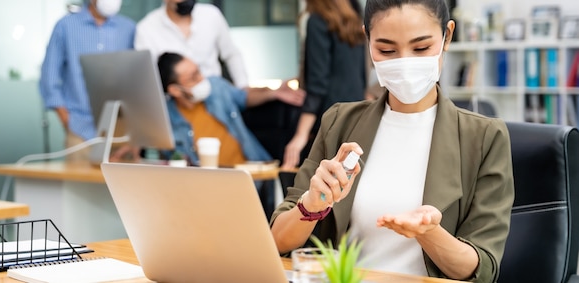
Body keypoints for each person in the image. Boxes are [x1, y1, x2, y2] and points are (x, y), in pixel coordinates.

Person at [270, 0, 515, 282]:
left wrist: (428, 233)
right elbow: (277, 241)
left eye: (421, 48)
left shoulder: (485, 138)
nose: (404, 62)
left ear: (447, 35)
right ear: (367, 39)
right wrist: (310, 205)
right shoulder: (339, 122)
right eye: (386, 50)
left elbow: (481, 269)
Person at [157, 52, 305, 166]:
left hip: (255, 170)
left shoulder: (216, 86)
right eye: (193, 77)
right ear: (175, 90)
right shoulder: (166, 121)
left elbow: (243, 97)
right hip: (209, 188)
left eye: (198, 71)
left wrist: (273, 93)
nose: (201, 79)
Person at [39, 0, 135, 162]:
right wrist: (66, 119)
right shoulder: (66, 26)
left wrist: (134, 134)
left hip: (120, 132)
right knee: (78, 187)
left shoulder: (129, 29)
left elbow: (137, 80)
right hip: (79, 129)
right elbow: (49, 77)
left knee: (121, 187)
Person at [281, 0, 368, 170]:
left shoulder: (318, 21)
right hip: (356, 114)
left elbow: (317, 84)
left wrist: (300, 135)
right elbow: (357, 73)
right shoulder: (353, 17)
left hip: (330, 119)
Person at [135, 0, 249, 88]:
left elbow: (231, 54)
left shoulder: (211, 15)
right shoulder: (146, 28)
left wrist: (243, 85)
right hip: (176, 102)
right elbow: (148, 79)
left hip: (216, 91)